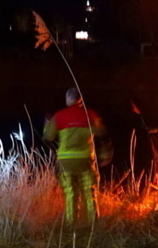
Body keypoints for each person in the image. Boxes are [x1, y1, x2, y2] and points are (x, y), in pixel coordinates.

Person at [44, 88, 110, 225]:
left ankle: (71, 225)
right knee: (89, 192)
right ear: (80, 99)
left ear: (68, 99)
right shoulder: (90, 115)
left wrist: (47, 124)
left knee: (70, 193)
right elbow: (102, 133)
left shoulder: (59, 116)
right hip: (85, 160)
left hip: (66, 161)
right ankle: (92, 224)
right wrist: (105, 155)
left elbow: (48, 137)